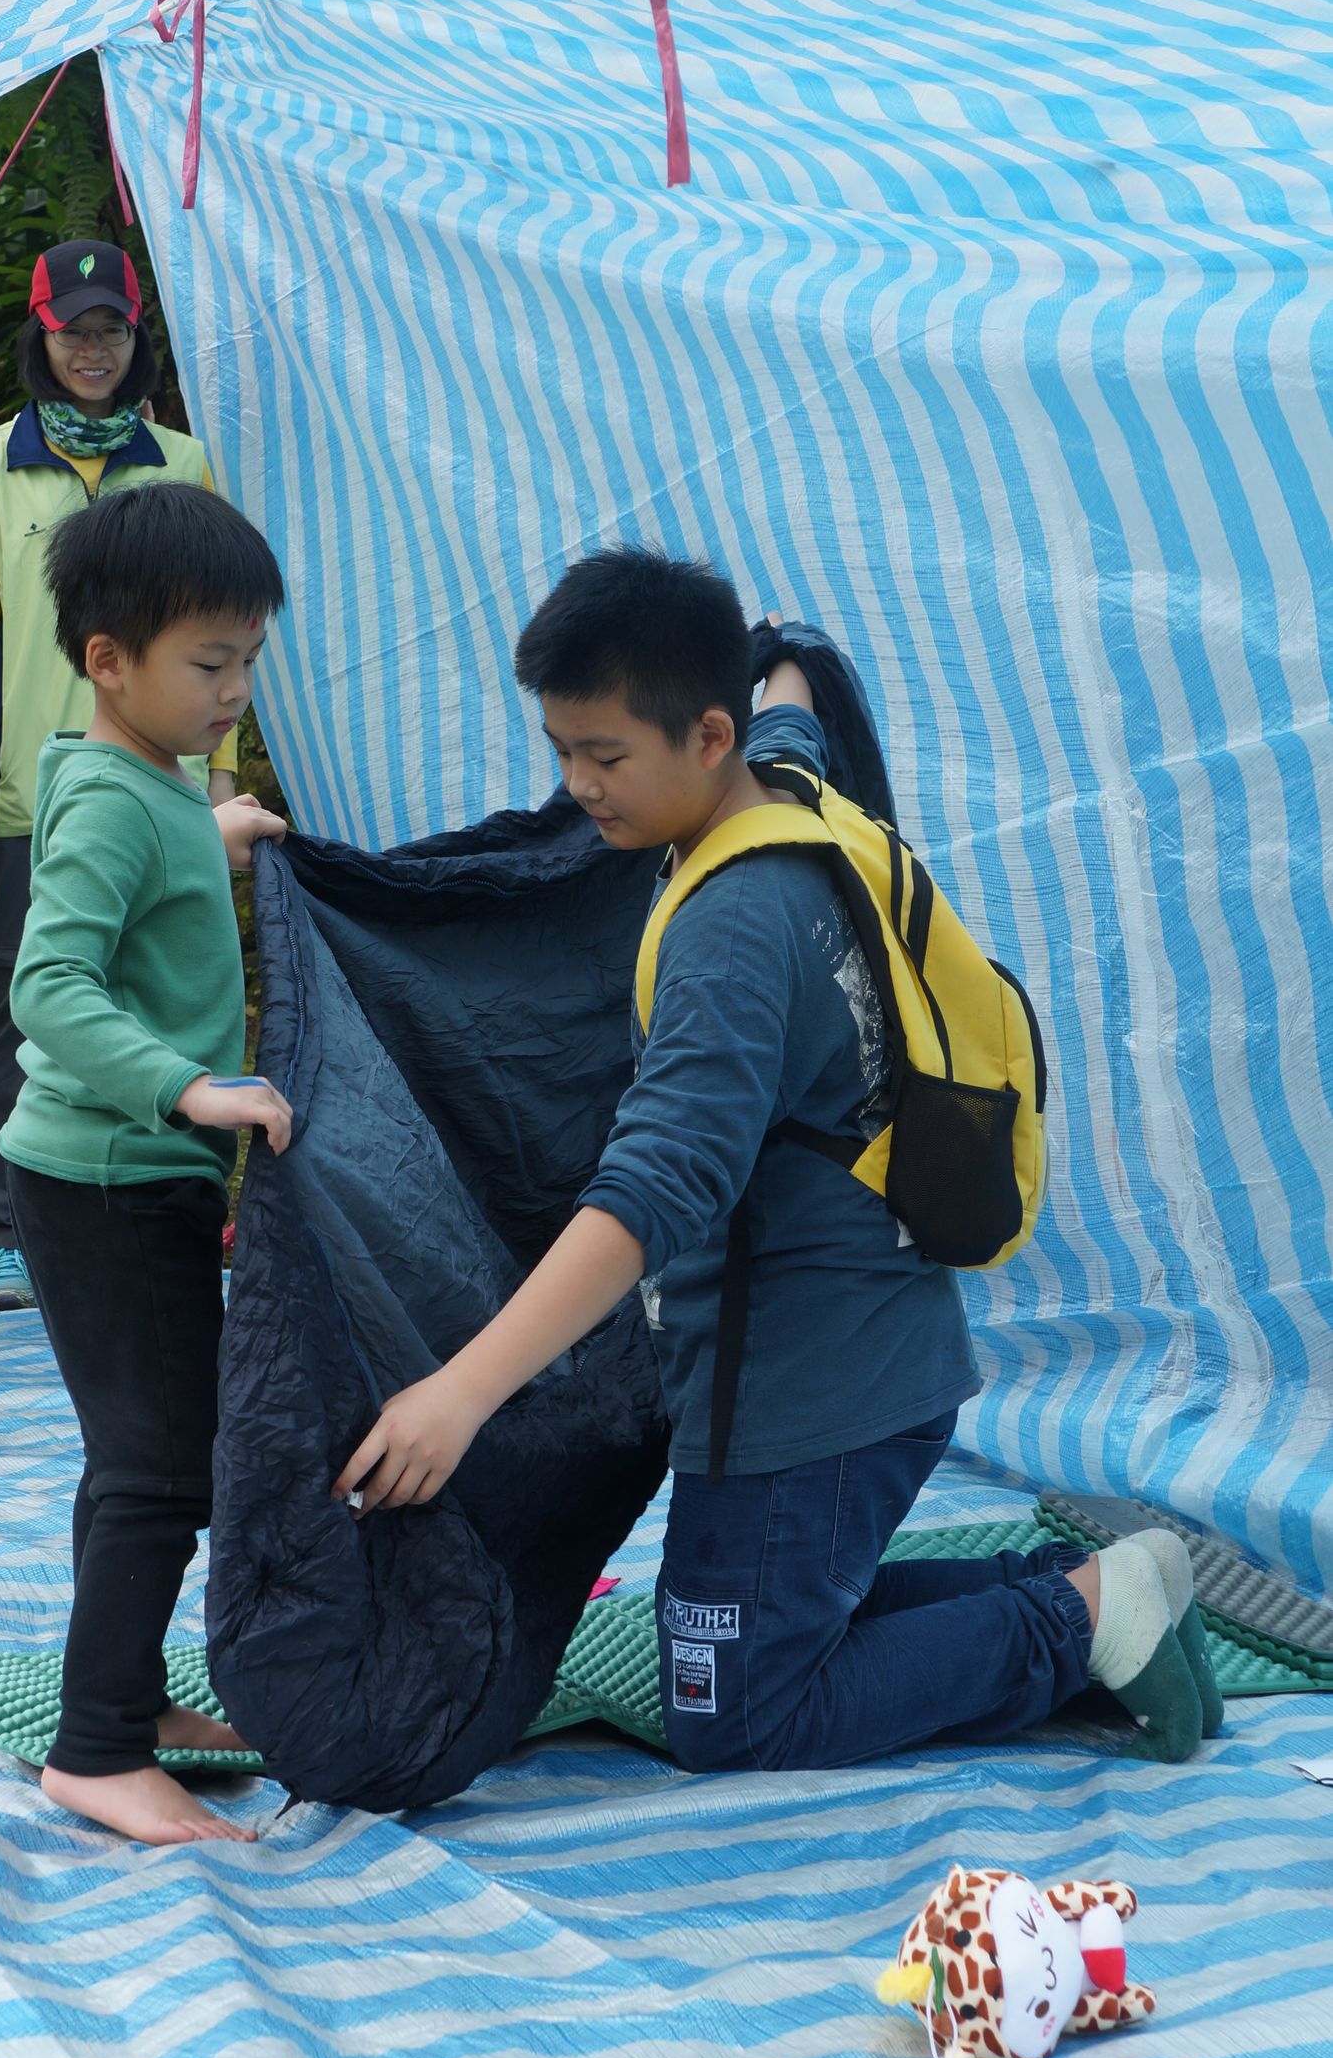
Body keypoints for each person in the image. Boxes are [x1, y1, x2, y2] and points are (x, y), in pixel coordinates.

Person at [335, 548, 1218, 1773]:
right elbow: (791, 718)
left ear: (709, 737)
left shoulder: (737, 929)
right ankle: (1102, 1584)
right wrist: (783, 652)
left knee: (736, 1706)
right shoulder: (792, 797)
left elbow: (657, 1183)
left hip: (810, 1394)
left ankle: (1078, 1621)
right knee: (745, 1626)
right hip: (873, 1349)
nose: (578, 785)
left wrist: (463, 1391)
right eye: (561, 749)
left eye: (604, 755)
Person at [0, 479, 289, 1845]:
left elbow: (145, 885)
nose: (234, 692)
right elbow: (50, 986)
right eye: (209, 664)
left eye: (247, 662)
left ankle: (128, 1695)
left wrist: (213, 838)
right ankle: (99, 1749)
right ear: (109, 659)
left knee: (140, 1451)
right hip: (110, 1176)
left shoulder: (153, 782)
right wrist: (189, 1086)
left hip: (123, 1175)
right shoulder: (119, 804)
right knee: (165, 1467)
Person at [0, 241, 238, 1313]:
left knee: (165, 988)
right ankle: (8, 1229)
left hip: (164, 783)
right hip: (34, 790)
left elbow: (219, 631)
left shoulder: (184, 463)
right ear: (43, 337)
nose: (94, 349)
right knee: (21, 1003)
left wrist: (219, 772)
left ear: (135, 338)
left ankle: (172, 1201)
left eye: (112, 329)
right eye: (75, 331)